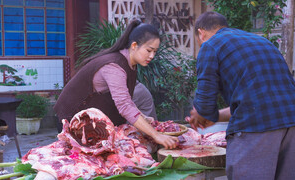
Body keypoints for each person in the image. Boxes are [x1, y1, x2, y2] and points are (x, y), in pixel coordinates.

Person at [185, 11, 295, 179]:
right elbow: (255, 101)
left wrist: (202, 114)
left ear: (201, 33)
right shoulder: (262, 41)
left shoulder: (210, 45)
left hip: (256, 128)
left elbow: (204, 106)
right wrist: (214, 117)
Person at [54, 19, 178, 149]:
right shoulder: (114, 66)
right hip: (71, 121)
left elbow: (126, 100)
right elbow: (124, 105)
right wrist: (156, 135)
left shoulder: (130, 64)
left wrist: (143, 118)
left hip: (89, 125)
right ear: (134, 45)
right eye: (149, 50)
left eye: (155, 51)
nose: (152, 56)